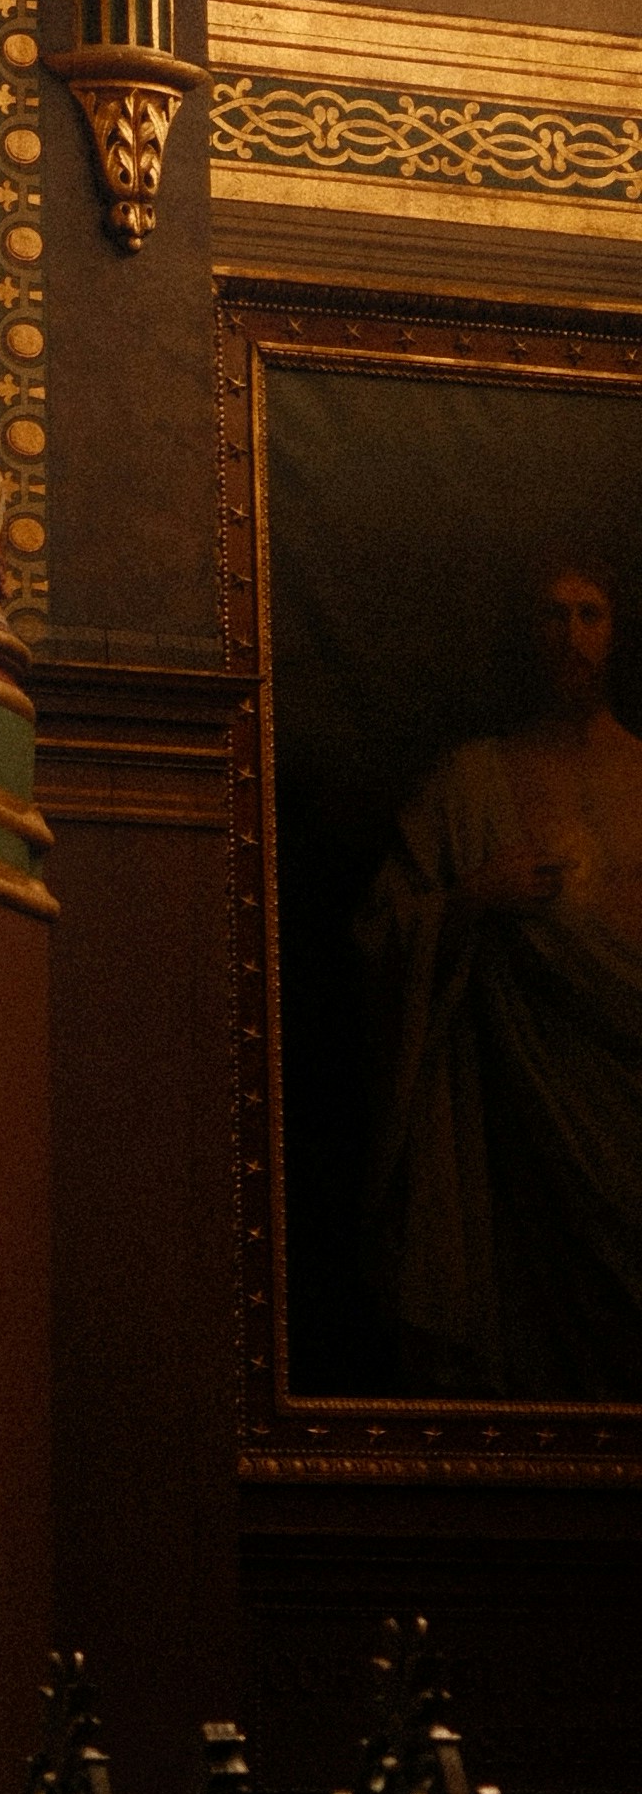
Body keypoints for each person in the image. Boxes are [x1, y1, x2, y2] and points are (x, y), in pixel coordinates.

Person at [360, 558, 642, 1391]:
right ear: (526, 635)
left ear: (615, 631)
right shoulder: (471, 781)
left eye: (589, 614)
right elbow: (378, 935)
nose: (572, 636)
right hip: (525, 1132)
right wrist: (472, 899)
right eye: (553, 616)